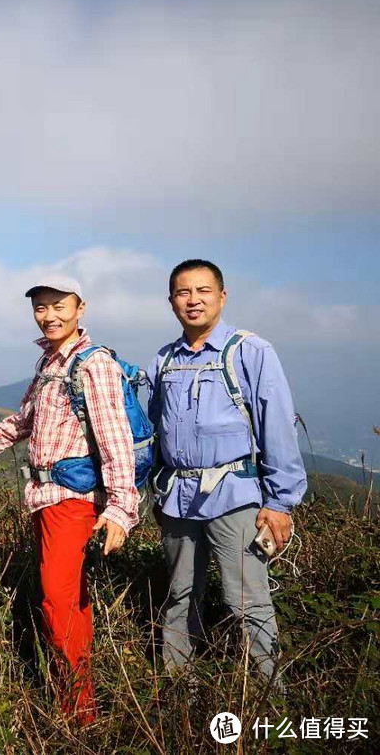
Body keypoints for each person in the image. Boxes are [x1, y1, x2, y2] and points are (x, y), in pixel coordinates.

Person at [0, 275, 138, 723]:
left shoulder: (93, 364)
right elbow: (25, 422)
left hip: (72, 500)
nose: (50, 314)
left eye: (60, 305)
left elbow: (114, 439)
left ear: (81, 308)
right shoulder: (50, 364)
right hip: (44, 498)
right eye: (41, 307)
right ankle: (83, 705)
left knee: (57, 600)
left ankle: (77, 711)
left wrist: (120, 507)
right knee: (70, 601)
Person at [148, 259, 306, 683]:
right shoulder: (164, 360)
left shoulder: (250, 351)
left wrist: (280, 502)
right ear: (171, 301)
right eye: (183, 293)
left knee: (246, 601)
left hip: (234, 494)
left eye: (203, 291)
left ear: (222, 295)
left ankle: (267, 700)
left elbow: (276, 425)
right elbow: (154, 431)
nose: (193, 300)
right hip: (177, 498)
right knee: (180, 596)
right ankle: (178, 689)